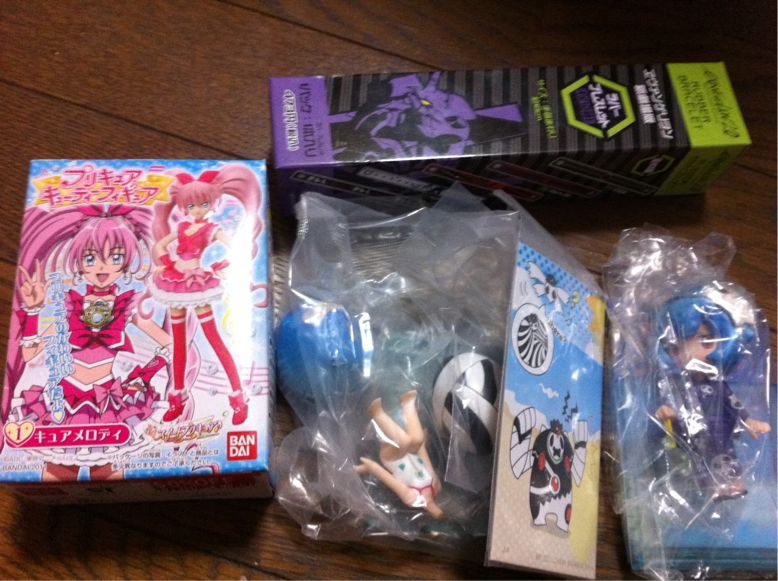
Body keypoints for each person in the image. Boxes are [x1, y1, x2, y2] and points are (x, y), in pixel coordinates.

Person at [8, 205, 171, 481]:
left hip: (107, 399)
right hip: (63, 397)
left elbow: (172, 345)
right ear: (78, 262)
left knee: (110, 472)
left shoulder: (128, 307)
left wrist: (145, 374)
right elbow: (30, 353)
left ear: (127, 262)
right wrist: (34, 311)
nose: (102, 267)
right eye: (90, 257)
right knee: (56, 473)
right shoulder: (67, 306)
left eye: (115, 257)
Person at [150, 165, 261, 424]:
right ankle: (177, 397)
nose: (197, 210)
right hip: (175, 282)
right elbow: (160, 245)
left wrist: (225, 264)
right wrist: (166, 261)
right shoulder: (180, 228)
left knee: (213, 338)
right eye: (191, 205)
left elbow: (238, 247)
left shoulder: (211, 229)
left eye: (203, 204)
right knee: (178, 341)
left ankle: (238, 397)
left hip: (197, 282)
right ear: (183, 206)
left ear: (211, 204)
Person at [653, 293, 771, 499]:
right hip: (690, 433)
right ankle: (707, 487)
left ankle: (732, 483)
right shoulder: (675, 384)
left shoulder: (716, 382)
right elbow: (667, 403)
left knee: (726, 456)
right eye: (675, 348)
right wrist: (666, 412)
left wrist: (747, 420)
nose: (690, 353)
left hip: (720, 429)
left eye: (706, 340)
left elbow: (732, 402)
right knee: (697, 460)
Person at [355, 390, 443, 518]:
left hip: (393, 459)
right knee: (417, 439)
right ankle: (407, 403)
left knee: (404, 441)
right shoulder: (436, 487)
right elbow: (425, 461)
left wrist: (372, 467)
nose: (435, 509)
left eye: (433, 512)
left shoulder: (412, 498)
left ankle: (377, 413)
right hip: (411, 453)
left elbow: (389, 479)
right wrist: (421, 444)